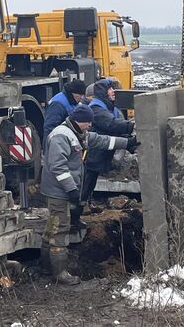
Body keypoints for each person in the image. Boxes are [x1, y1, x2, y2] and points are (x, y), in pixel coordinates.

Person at [40, 106, 138, 284]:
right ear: (79, 120)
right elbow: (57, 166)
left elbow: (102, 141)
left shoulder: (76, 133)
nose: (90, 125)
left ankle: (47, 268)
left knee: (52, 227)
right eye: (88, 122)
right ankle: (59, 273)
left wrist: (127, 143)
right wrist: (71, 189)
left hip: (61, 189)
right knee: (60, 227)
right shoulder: (61, 136)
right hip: (58, 191)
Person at [82, 78, 136, 202]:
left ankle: (81, 209)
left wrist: (129, 142)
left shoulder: (109, 108)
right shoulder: (96, 108)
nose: (113, 91)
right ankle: (76, 214)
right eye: (110, 88)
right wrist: (132, 126)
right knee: (85, 186)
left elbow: (114, 131)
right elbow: (111, 124)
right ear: (103, 92)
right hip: (93, 156)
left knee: (89, 185)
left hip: (100, 156)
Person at [42, 79, 86, 148]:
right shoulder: (58, 104)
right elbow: (50, 128)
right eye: (81, 95)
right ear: (74, 93)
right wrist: (51, 148)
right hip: (58, 145)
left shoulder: (74, 102)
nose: (82, 98)